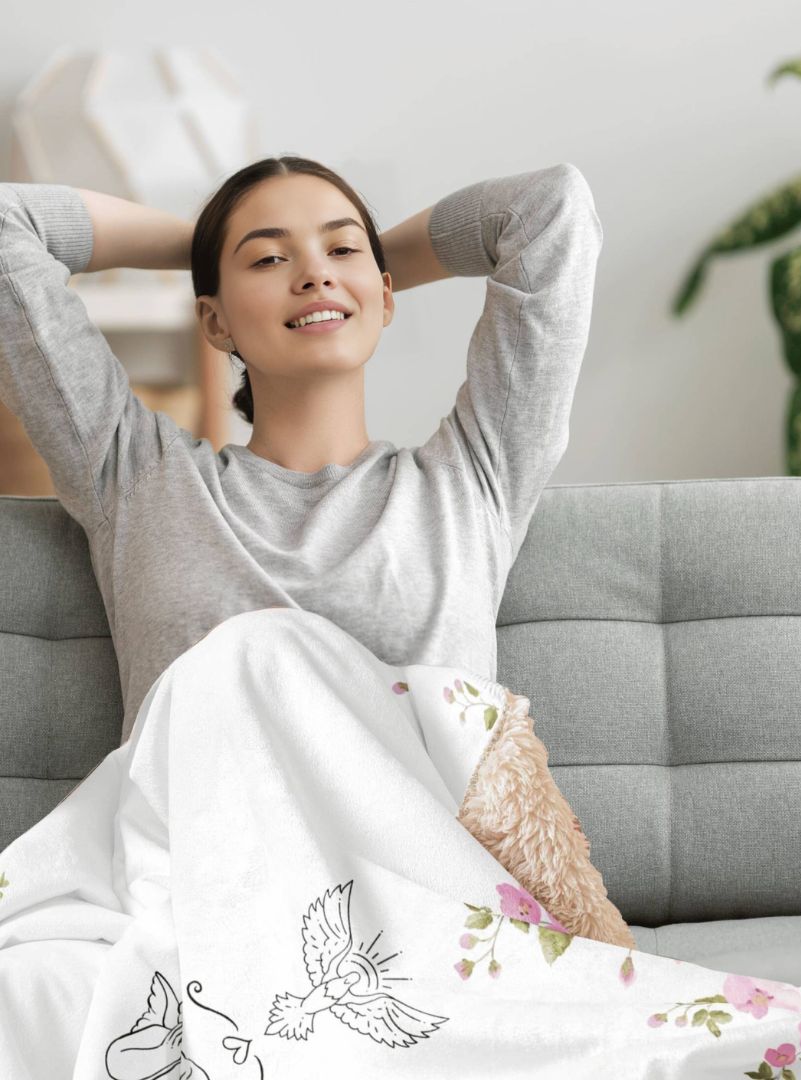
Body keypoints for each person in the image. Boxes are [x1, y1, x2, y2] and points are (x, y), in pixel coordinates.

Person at [0, 157, 604, 743]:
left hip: (417, 845)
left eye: (341, 250)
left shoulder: (475, 478)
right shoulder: (135, 479)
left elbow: (549, 208)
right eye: (267, 258)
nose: (316, 274)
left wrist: (334, 271)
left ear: (386, 296)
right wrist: (205, 249)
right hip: (196, 844)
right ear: (214, 322)